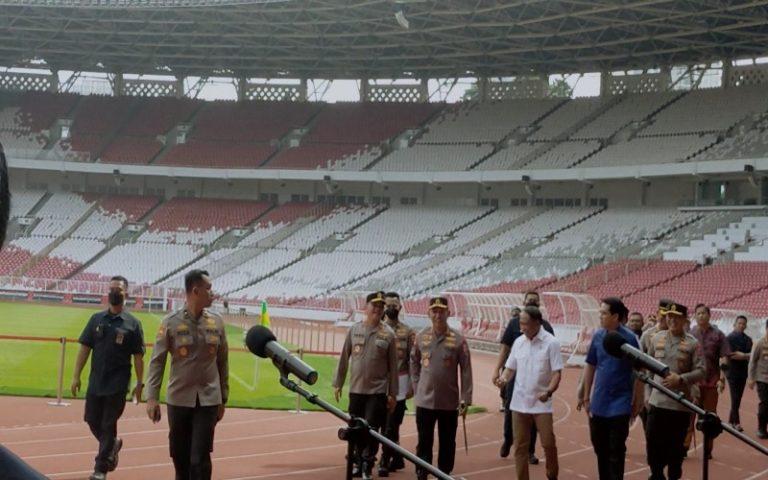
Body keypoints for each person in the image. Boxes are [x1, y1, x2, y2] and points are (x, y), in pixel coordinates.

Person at [146, 269, 229, 480]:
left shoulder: (217, 322)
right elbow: (157, 361)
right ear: (195, 290)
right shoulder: (170, 322)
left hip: (208, 399)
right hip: (179, 399)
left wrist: (223, 398)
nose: (213, 293)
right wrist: (152, 398)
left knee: (199, 458)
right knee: (180, 457)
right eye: (208, 289)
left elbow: (222, 361)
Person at [71, 276, 144, 480]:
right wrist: (76, 376)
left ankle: (100, 469)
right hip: (96, 381)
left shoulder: (133, 324)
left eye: (118, 290)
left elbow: (138, 357)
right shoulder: (96, 319)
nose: (114, 292)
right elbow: (84, 349)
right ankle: (112, 443)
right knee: (92, 419)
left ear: (126, 294)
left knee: (108, 423)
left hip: (118, 383)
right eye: (111, 289)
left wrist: (139, 383)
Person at [333, 291, 398, 480]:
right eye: (374, 306)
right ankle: (356, 462)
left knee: (370, 429)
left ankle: (367, 465)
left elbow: (393, 368)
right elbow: (344, 357)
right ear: (366, 307)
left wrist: (392, 394)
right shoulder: (355, 330)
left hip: (376, 392)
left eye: (380, 306)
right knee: (354, 428)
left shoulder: (388, 335)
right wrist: (338, 383)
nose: (377, 309)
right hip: (356, 390)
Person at [578, 297, 643, 480]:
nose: (600, 316)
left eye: (604, 313)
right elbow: (590, 365)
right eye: (600, 313)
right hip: (599, 401)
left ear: (615, 316)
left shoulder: (629, 339)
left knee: (616, 449)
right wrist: (585, 396)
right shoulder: (598, 336)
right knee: (599, 446)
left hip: (620, 402)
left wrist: (637, 401)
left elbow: (640, 371)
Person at [496, 306, 561, 480]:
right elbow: (510, 369)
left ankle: (552, 474)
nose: (521, 327)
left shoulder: (551, 343)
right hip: (519, 403)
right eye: (520, 323)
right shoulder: (519, 342)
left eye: (525, 323)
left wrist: (548, 391)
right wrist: (503, 378)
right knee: (520, 446)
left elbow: (557, 374)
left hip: (541, 404)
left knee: (548, 443)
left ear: (537, 322)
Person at [411, 296, 472, 480]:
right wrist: (417, 385)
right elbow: (414, 362)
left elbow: (466, 370)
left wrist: (465, 398)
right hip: (425, 400)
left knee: (447, 441)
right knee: (424, 440)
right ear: (428, 313)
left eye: (441, 311)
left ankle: (444, 473)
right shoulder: (421, 337)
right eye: (434, 311)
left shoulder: (458, 340)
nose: (438, 315)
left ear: (448, 313)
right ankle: (422, 470)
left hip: (448, 401)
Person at [645, 301, 705, 480]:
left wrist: (681, 379)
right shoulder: (656, 338)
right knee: (653, 445)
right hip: (657, 404)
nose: (672, 320)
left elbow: (702, 371)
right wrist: (647, 396)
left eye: (676, 317)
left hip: (679, 406)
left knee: (675, 450)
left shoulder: (693, 344)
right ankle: (656, 475)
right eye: (669, 317)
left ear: (685, 319)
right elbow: (647, 369)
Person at [684, 304, 731, 457]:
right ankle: (684, 446)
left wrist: (722, 379)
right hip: (693, 383)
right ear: (695, 316)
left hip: (711, 383)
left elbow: (724, 357)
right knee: (689, 416)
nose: (701, 316)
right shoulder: (690, 334)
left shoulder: (719, 335)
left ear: (709, 315)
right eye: (698, 313)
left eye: (704, 313)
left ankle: (707, 449)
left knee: (710, 417)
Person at [378, 291, 414, 477]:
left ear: (400, 307)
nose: (392, 308)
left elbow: (412, 360)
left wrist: (412, 386)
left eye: (395, 305)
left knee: (392, 425)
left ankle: (385, 460)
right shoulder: (378, 329)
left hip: (400, 384)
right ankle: (396, 457)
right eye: (388, 304)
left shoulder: (407, 332)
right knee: (382, 423)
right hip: (380, 383)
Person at [726, 315, 753, 431]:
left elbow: (750, 355)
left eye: (743, 323)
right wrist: (744, 356)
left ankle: (730, 420)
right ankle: (736, 422)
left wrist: (744, 356)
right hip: (732, 372)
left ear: (746, 325)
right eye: (739, 323)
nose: (741, 325)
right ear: (735, 324)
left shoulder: (748, 339)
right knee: (735, 397)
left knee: (738, 397)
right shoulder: (729, 338)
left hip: (743, 372)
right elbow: (731, 355)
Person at [748, 319, 768, 439]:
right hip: (762, 379)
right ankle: (761, 428)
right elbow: (752, 362)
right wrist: (751, 378)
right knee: (765, 403)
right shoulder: (760, 342)